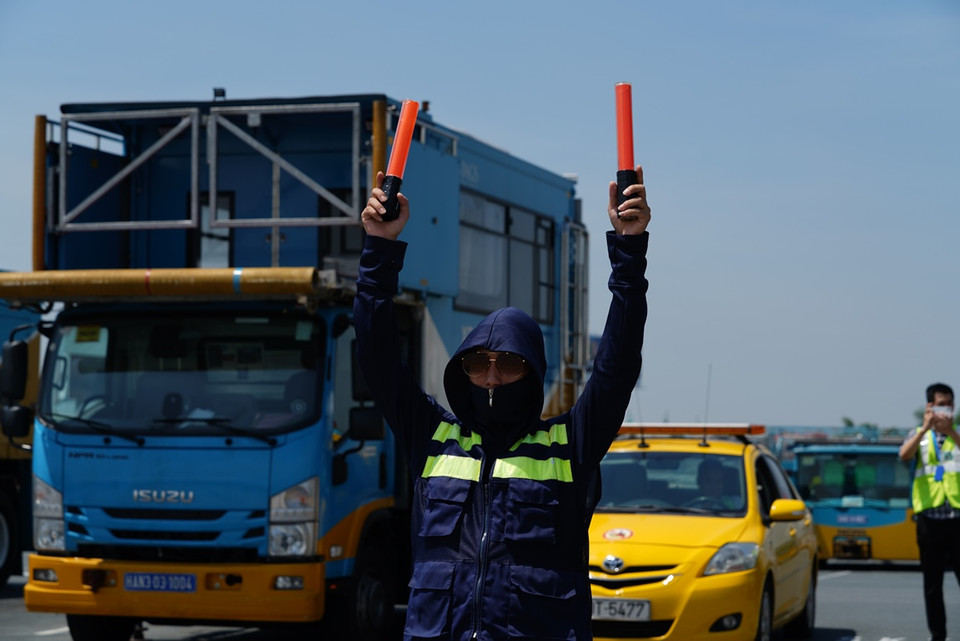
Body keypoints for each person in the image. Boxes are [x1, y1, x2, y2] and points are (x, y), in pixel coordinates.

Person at [354, 166, 651, 640]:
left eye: (507, 363)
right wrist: (378, 248)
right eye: (478, 363)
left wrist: (629, 252)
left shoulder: (569, 445)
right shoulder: (432, 438)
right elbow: (375, 354)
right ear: (462, 370)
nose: (491, 377)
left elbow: (616, 368)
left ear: (531, 373)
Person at [899, 382, 960, 641]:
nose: (944, 410)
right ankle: (938, 636)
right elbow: (904, 455)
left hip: (958, 518)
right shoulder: (918, 435)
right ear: (929, 407)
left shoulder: (958, 436)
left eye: (948, 404)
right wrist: (925, 428)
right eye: (939, 405)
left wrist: (953, 433)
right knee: (932, 585)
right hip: (929, 519)